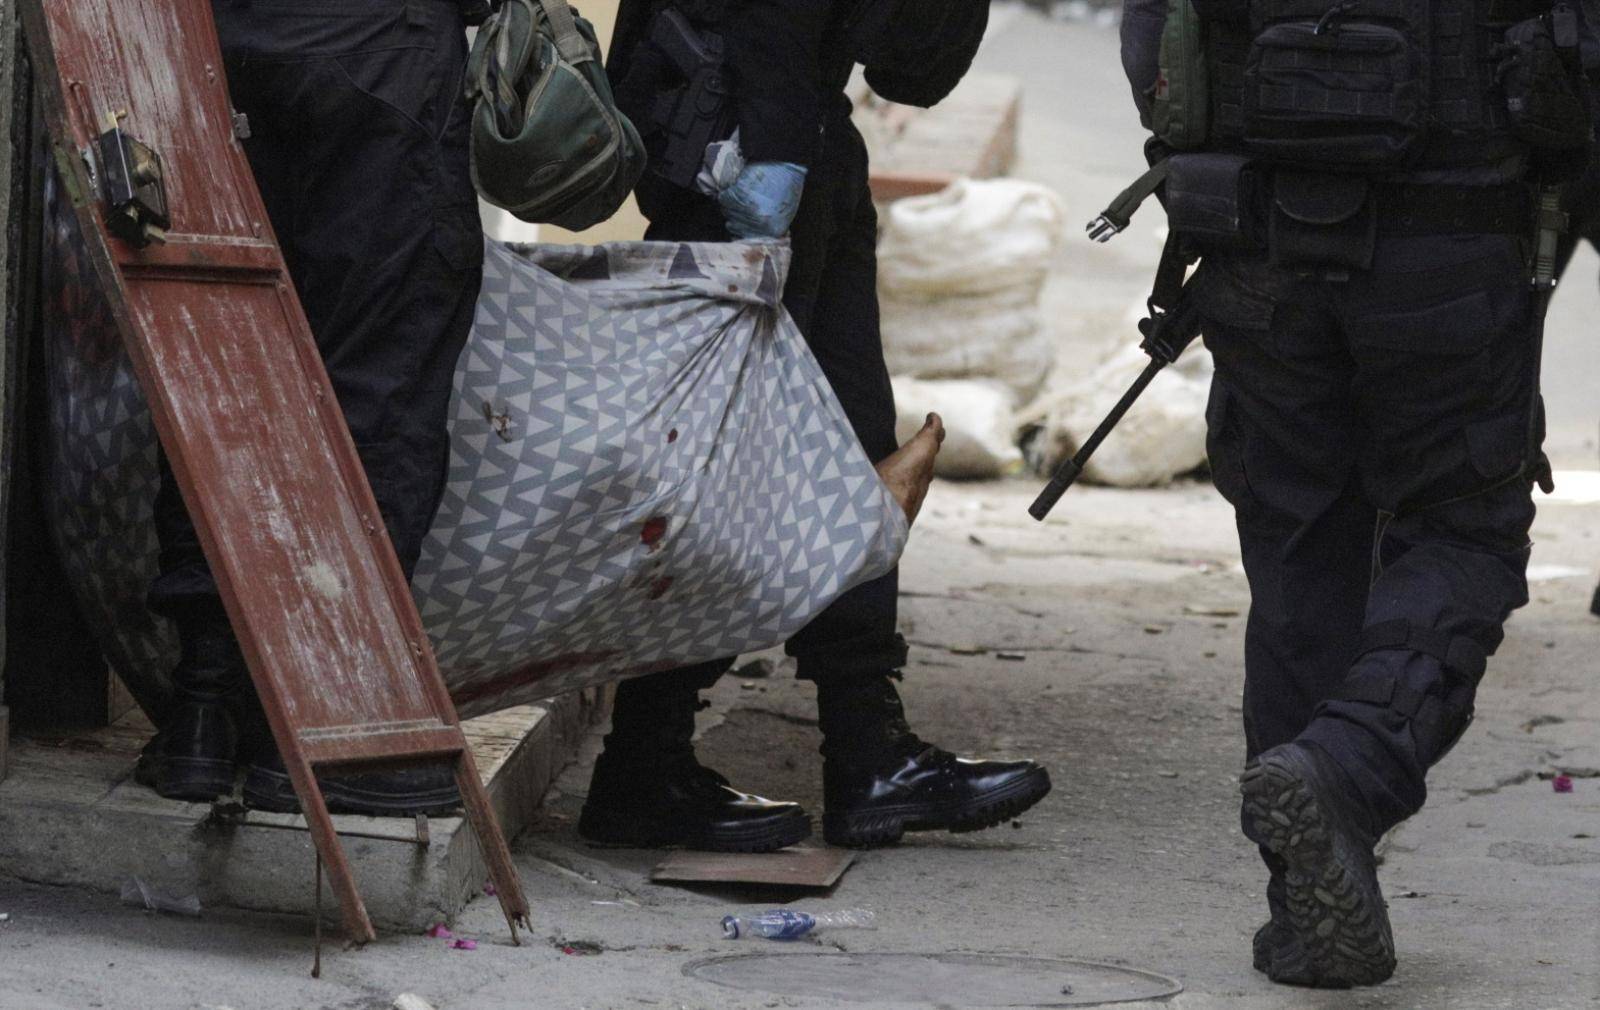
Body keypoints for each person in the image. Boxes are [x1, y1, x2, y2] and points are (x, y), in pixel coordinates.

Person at [1119, 0, 1599, 987]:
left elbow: (1155, 44)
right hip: (1450, 239)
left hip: (1258, 229)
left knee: (1300, 550)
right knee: (1464, 535)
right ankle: (1352, 763)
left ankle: (1306, 907)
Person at [579, 0, 1053, 852]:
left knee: (848, 454)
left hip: (794, 146)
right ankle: (647, 761)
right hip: (742, 154)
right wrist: (777, 147)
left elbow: (908, 67)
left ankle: (863, 753)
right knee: (722, 476)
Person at [138, 0, 487, 816]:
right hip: (379, 62)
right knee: (377, 387)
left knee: (218, 370)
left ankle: (204, 708)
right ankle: (325, 725)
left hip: (210, 52)